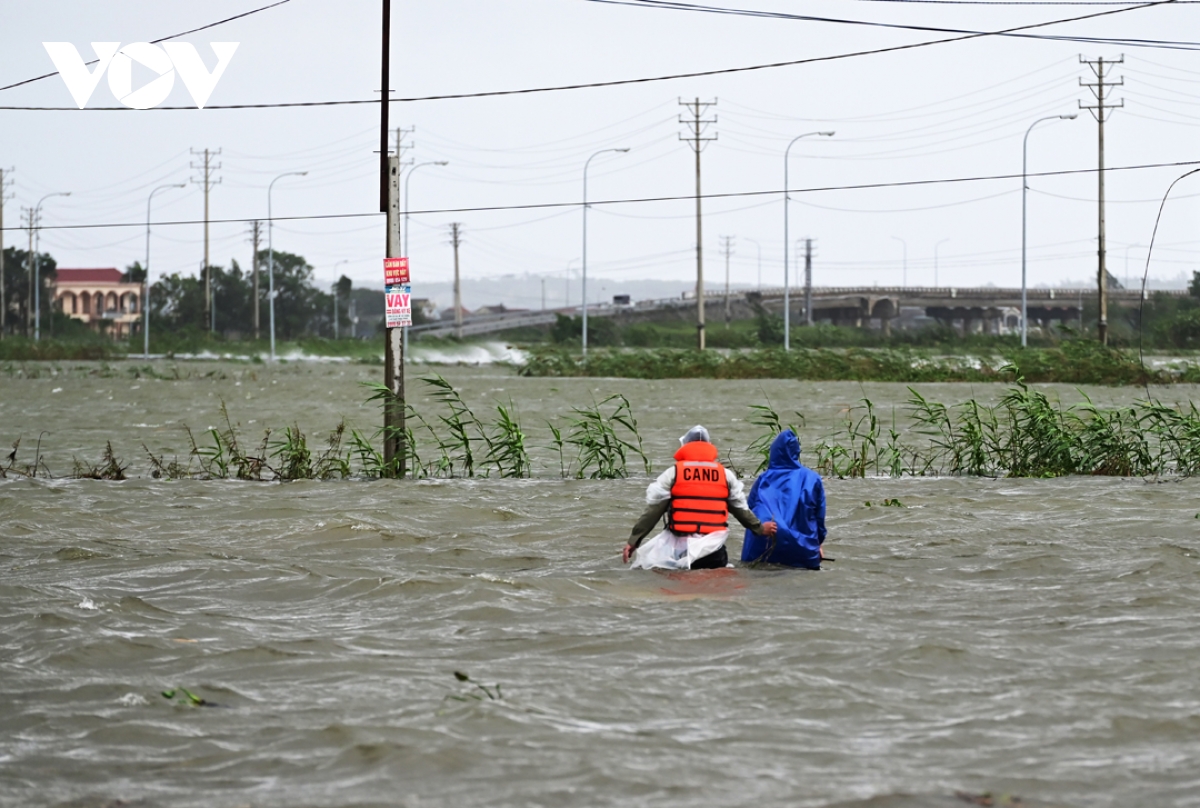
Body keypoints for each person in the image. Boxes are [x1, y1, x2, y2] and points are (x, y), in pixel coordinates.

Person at [624, 425, 777, 570]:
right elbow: (740, 510)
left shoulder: (673, 473)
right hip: (713, 550)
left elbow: (653, 511)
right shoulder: (725, 475)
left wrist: (634, 541)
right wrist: (760, 528)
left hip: (681, 550)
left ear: (685, 447)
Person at [741, 429, 827, 569]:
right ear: (796, 452)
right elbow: (819, 519)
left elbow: (748, 513)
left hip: (762, 547)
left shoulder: (763, 479)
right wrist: (818, 544)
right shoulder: (812, 479)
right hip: (803, 551)